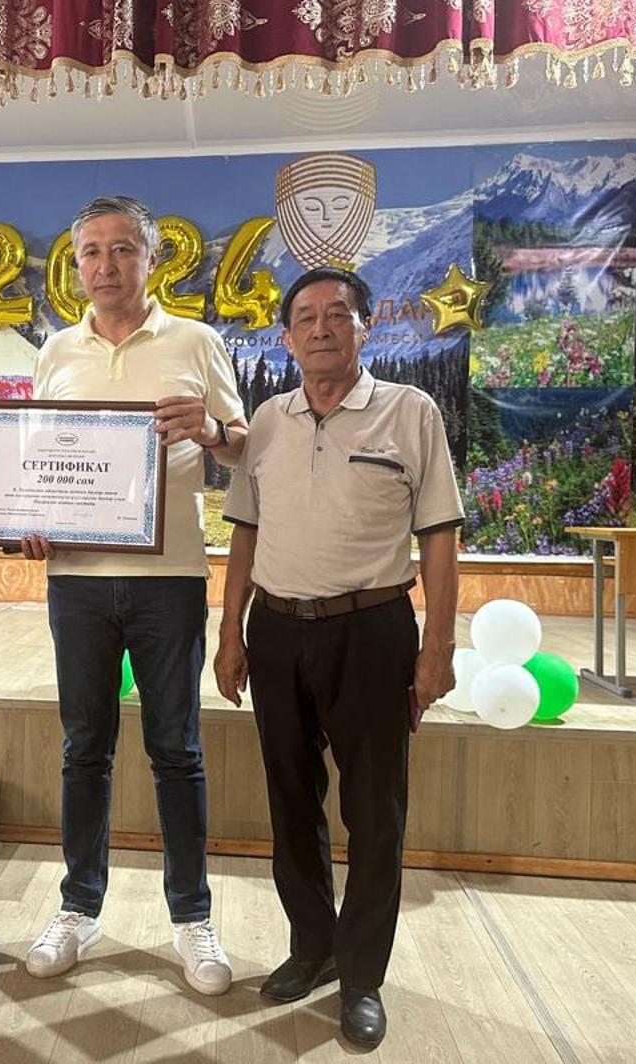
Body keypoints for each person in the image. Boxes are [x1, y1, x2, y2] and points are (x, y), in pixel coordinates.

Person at [213, 267, 462, 1048]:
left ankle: (361, 977)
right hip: (277, 631)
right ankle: (313, 947)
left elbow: (440, 536)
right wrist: (230, 631)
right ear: (287, 337)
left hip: (372, 630)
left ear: (365, 326)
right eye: (306, 318)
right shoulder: (268, 420)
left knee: (375, 812)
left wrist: (438, 645)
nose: (321, 328)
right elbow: (245, 532)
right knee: (291, 801)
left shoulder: (410, 412)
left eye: (337, 315)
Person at [19, 195, 249, 996]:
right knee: (84, 748)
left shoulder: (197, 341)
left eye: (122, 249)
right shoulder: (56, 351)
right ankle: (78, 907)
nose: (106, 265)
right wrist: (27, 518)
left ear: (153, 259)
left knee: (176, 750)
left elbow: (245, 446)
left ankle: (192, 917)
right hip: (75, 580)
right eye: (91, 251)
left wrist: (211, 432)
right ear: (75, 265)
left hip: (171, 577)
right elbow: (37, 461)